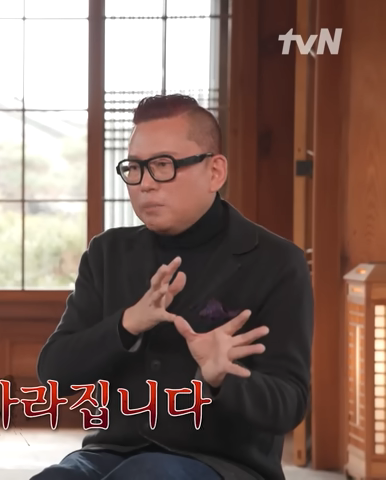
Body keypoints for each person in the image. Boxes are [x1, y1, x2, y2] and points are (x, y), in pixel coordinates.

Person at [32, 94, 313, 480]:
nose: (145, 184)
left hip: (223, 464)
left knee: (147, 474)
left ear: (215, 172)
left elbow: (290, 403)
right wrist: (126, 324)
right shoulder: (107, 253)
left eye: (163, 165)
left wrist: (221, 377)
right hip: (111, 452)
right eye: (135, 168)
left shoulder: (276, 262)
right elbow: (54, 373)